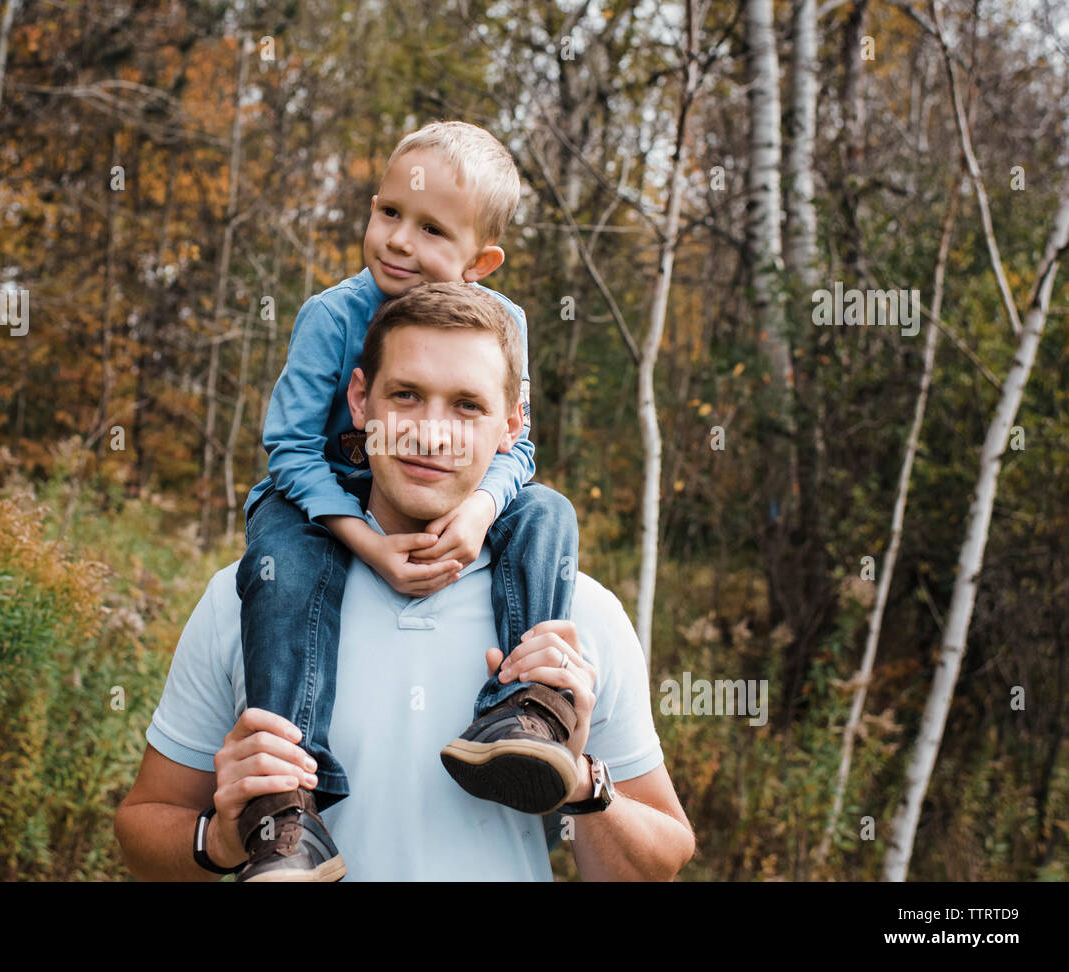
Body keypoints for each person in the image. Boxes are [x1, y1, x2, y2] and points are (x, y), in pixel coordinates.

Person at [115, 282, 696, 882]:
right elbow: (142, 833)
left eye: (468, 405)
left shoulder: (576, 613)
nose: (430, 433)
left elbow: (659, 863)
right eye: (407, 395)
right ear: (361, 400)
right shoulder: (251, 594)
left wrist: (580, 781)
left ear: (512, 425)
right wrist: (221, 838)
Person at [231, 121, 581, 878]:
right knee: (279, 569)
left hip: (454, 495)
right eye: (388, 212)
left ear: (479, 262)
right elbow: (289, 448)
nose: (396, 240)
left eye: (429, 228)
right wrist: (367, 542)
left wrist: (482, 509)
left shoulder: (504, 325)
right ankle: (289, 802)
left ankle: (522, 711)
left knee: (549, 512)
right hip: (317, 502)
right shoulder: (333, 316)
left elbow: (516, 445)